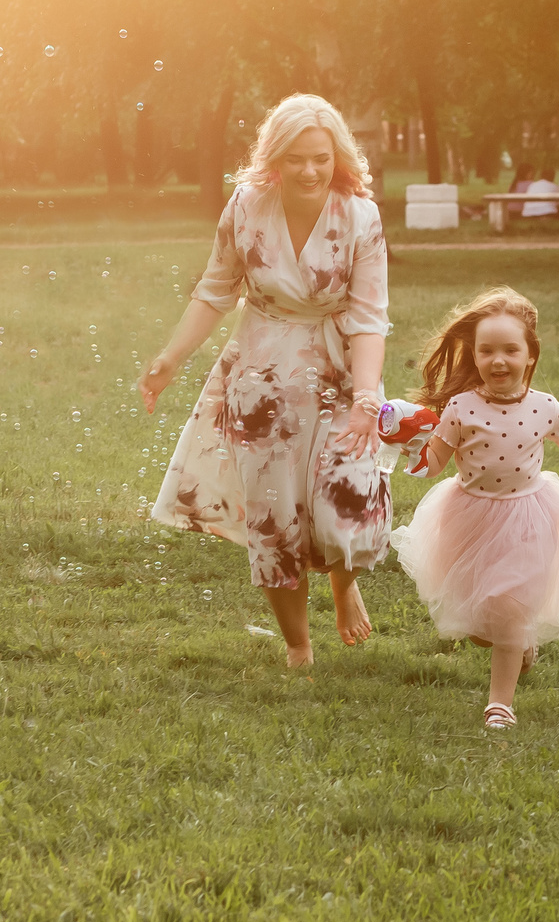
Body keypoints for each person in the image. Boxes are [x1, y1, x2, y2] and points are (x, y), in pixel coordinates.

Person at [140, 94, 392, 666]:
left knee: (346, 504)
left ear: (337, 158)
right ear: (276, 157)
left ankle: (343, 582)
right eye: (297, 157)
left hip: (337, 370)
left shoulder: (360, 216)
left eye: (321, 158)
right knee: (276, 519)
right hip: (261, 378)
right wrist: (171, 357)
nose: (310, 170)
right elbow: (215, 289)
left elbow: (369, 316)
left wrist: (367, 397)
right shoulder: (248, 205)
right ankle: (298, 647)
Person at [390, 288, 559, 730]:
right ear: (474, 355)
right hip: (469, 518)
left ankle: (499, 704)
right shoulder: (461, 407)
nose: (498, 360)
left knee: (508, 611)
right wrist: (409, 448)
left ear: (530, 355)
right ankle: (517, 642)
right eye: (486, 351)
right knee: (481, 627)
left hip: (529, 516)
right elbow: (434, 465)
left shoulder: (544, 406)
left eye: (510, 350)